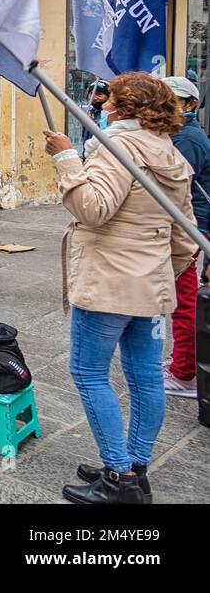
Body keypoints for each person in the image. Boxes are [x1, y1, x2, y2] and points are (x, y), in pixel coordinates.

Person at [43, 72, 195, 504]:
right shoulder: (169, 153)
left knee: (89, 373)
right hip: (148, 285)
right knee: (145, 376)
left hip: (109, 282)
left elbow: (93, 210)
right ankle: (135, 466)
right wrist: (157, 270)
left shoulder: (116, 148)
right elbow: (185, 235)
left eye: (108, 95)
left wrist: (67, 157)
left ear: (123, 106)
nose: (101, 99)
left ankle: (119, 477)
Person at [162, 75, 209, 399]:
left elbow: (173, 187)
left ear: (190, 105)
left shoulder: (188, 139)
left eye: (173, 100)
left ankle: (185, 373)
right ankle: (183, 364)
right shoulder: (181, 134)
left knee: (184, 298)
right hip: (185, 224)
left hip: (189, 226)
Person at [81, 79, 110, 147]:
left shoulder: (110, 114)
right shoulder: (90, 112)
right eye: (91, 93)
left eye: (99, 94)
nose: (94, 98)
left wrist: (92, 125)